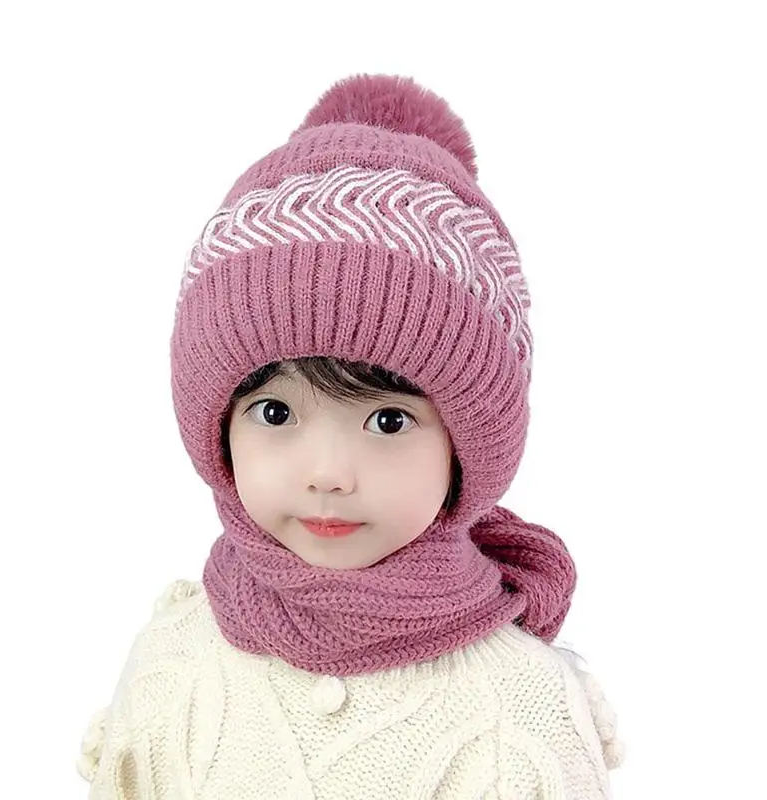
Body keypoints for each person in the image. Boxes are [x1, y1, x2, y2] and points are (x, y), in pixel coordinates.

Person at [77, 72, 624, 799]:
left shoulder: (521, 705)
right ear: (217, 430)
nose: (329, 472)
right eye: (276, 414)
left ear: (468, 448)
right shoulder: (173, 662)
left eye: (388, 420)